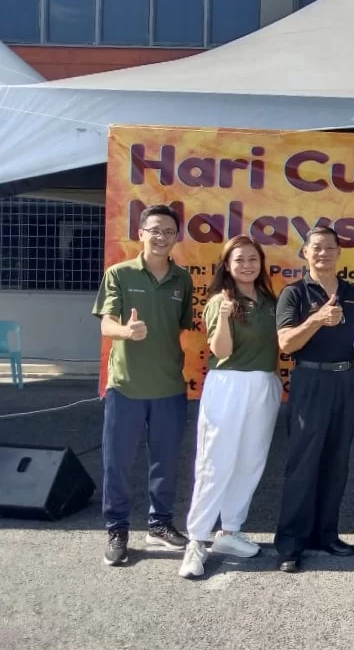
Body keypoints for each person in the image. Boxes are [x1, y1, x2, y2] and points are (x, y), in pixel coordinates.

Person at [92, 204, 194, 567]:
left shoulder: (182, 279)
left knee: (165, 461)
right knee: (117, 463)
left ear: (176, 236)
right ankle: (117, 528)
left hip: (169, 386)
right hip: (126, 387)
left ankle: (160, 524)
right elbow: (106, 324)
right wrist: (126, 331)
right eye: (155, 230)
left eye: (169, 231)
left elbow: (182, 326)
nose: (162, 237)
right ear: (141, 233)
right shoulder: (119, 273)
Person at [179, 236, 282, 578]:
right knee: (216, 461)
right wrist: (223, 317)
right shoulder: (219, 302)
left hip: (263, 384)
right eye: (239, 260)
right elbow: (221, 351)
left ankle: (230, 530)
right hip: (228, 385)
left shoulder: (269, 300)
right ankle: (196, 540)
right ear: (227, 264)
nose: (247, 265)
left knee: (251, 460)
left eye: (253, 259)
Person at [273, 227, 354, 574]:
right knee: (303, 464)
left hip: (345, 380)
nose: (324, 253)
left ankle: (326, 534)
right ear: (305, 253)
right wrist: (316, 319)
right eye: (317, 248)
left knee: (336, 462)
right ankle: (291, 544)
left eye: (330, 247)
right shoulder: (294, 293)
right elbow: (286, 344)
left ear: (339, 253)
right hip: (310, 380)